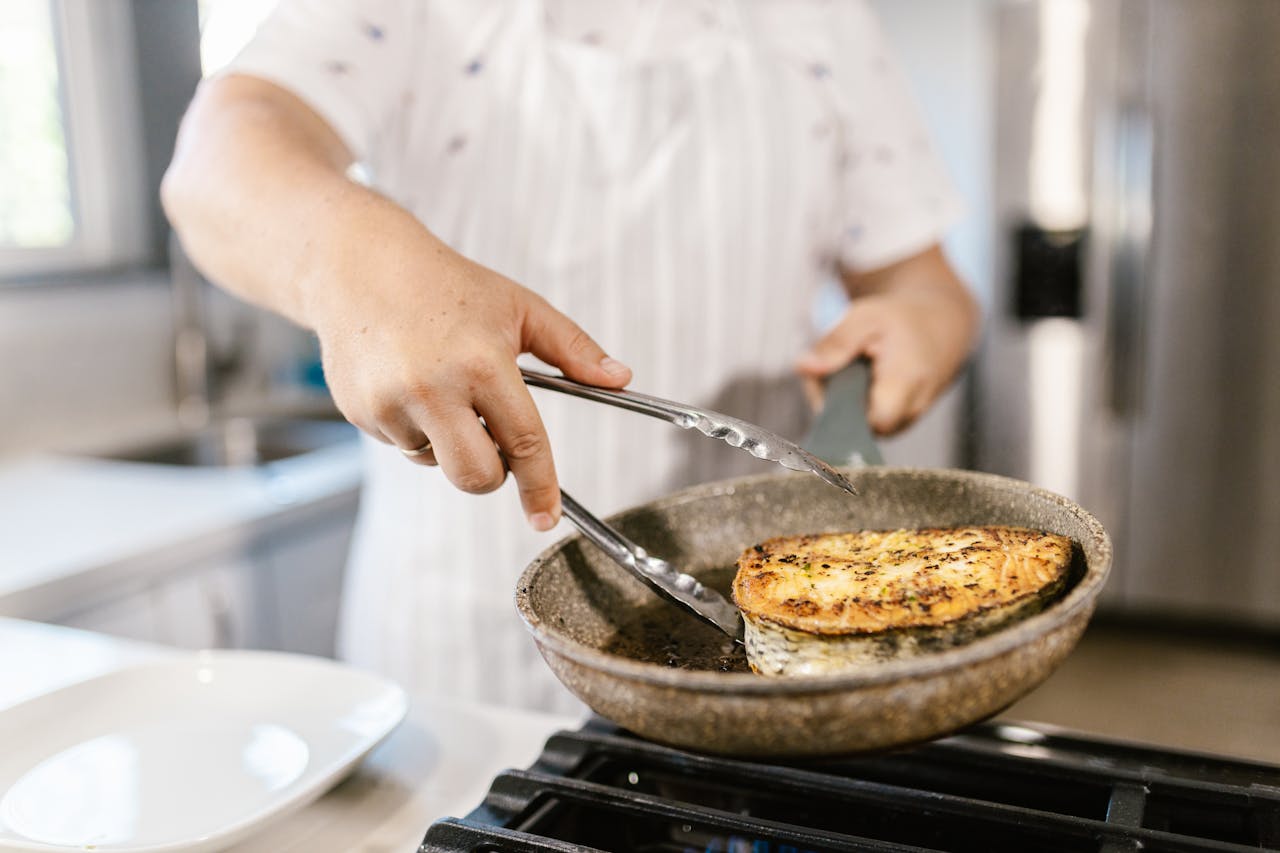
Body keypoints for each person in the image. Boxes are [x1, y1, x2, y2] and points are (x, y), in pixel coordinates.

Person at [162, 0, 979, 713]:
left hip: (753, 648)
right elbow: (218, 160)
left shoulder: (823, 20)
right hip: (466, 655)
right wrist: (350, 259)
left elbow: (927, 284)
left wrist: (917, 326)